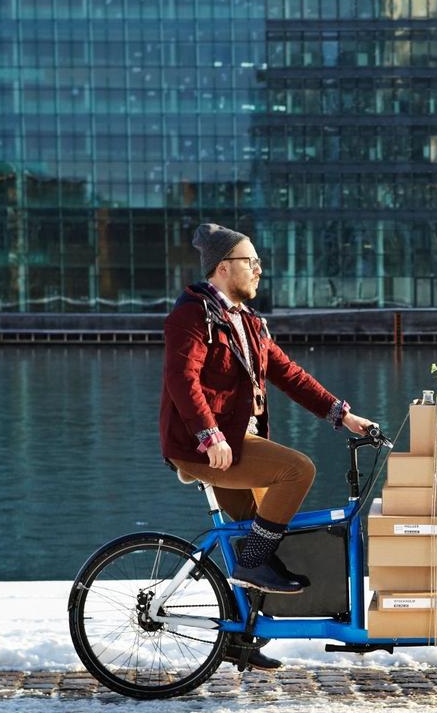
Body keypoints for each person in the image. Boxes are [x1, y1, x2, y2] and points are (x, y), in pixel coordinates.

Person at [161, 224, 376, 668]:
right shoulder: (194, 314)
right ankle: (253, 569)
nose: (259, 270)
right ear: (223, 268)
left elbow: (289, 374)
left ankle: (241, 638)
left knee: (253, 536)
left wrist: (341, 414)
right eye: (250, 262)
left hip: (236, 442)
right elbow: (183, 380)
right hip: (209, 445)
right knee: (297, 471)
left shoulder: (249, 322)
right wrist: (210, 434)